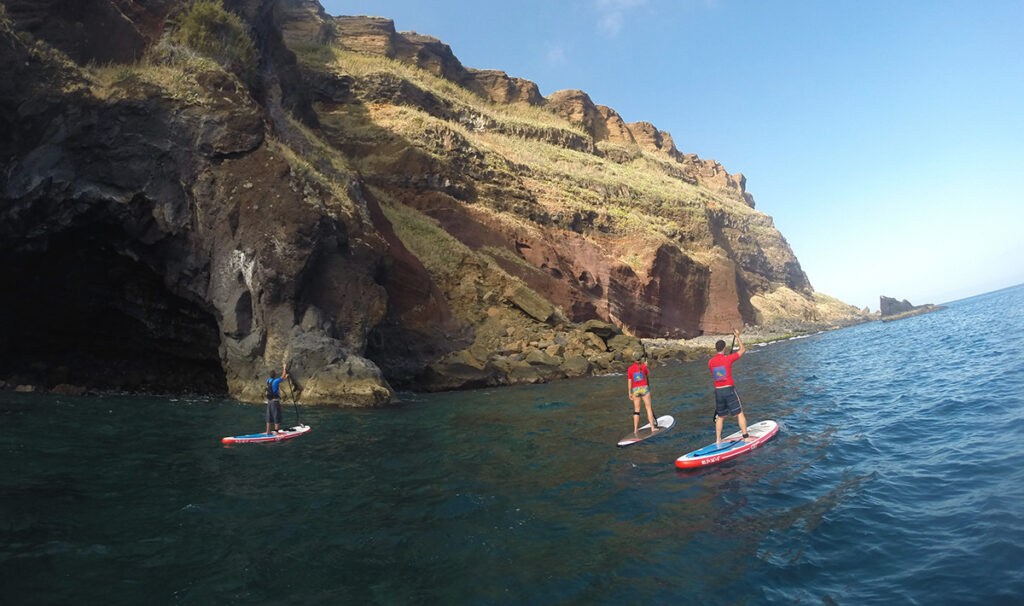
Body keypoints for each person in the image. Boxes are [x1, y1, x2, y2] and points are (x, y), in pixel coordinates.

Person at [709, 329, 753, 446]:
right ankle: (745, 436)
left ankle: (718, 439)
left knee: (721, 416)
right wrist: (737, 336)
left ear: (716, 349)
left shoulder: (710, 362)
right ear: (724, 348)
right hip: (729, 390)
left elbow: (719, 369)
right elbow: (742, 350)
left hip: (718, 392)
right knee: (739, 413)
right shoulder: (728, 359)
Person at [626, 352, 659, 436]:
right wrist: (646, 366)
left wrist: (630, 392)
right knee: (648, 408)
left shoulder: (630, 369)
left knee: (637, 410)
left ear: (633, 359)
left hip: (635, 390)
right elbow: (648, 375)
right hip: (644, 388)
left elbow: (630, 382)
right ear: (640, 359)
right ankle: (652, 428)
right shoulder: (643, 367)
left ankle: (635, 430)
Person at [265, 363, 289, 434]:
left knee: (269, 416)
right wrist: (284, 368)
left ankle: (268, 431)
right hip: (275, 402)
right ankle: (276, 432)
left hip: (269, 401)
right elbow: (282, 376)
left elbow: (280, 380)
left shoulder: (268, 381)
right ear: (275, 375)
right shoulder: (276, 381)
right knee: (276, 415)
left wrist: (285, 378)